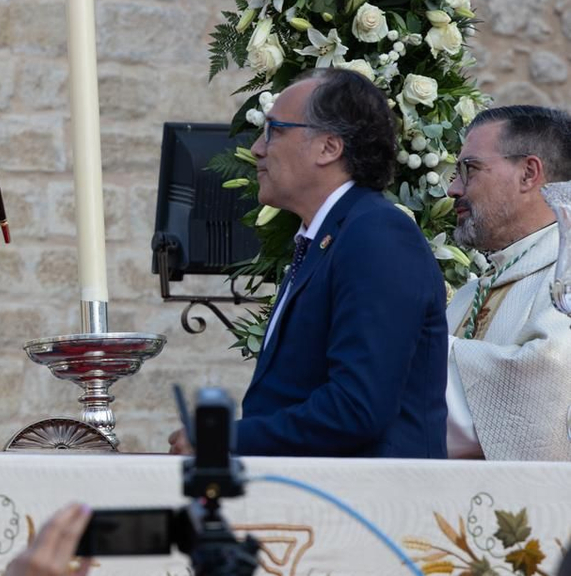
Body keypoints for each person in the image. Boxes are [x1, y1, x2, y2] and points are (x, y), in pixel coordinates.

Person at [171, 67, 448, 458]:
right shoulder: (330, 237)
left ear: (328, 148)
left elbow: (358, 407)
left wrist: (227, 440)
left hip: (369, 505)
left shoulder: (377, 235)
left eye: (275, 130)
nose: (257, 149)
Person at [443, 105, 571, 462]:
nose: (453, 190)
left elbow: (550, 380)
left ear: (529, 173)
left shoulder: (565, 279)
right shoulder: (472, 293)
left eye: (469, 170)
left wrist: (413, 348)